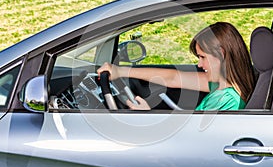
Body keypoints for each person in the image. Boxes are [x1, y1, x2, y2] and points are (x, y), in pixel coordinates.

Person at [97, 22, 255, 111]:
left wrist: (147, 115)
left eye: (202, 57)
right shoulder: (222, 84)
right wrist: (120, 71)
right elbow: (173, 78)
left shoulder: (225, 99)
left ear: (221, 54)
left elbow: (192, 141)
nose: (199, 65)